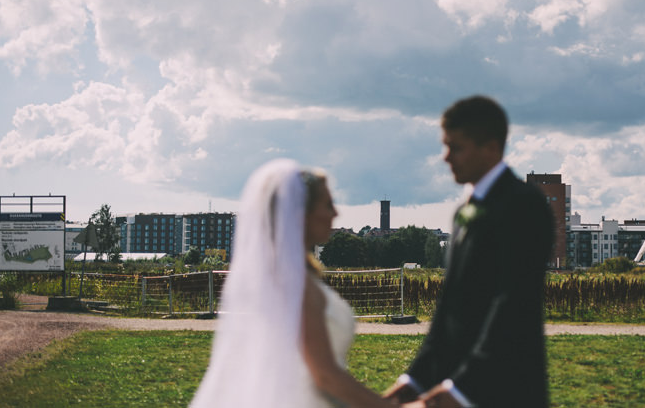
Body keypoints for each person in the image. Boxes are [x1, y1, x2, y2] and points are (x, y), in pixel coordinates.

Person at [384, 95, 555, 407]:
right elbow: (449, 310)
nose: (445, 157)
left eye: (456, 147)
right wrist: (412, 383)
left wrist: (459, 392)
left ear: (490, 148)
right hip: (456, 381)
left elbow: (512, 306)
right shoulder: (464, 211)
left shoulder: (523, 205)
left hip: (505, 390)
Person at [190, 159, 396, 408]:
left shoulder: (286, 277)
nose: (336, 213)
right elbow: (325, 376)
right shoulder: (296, 286)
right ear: (301, 214)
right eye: (328, 204)